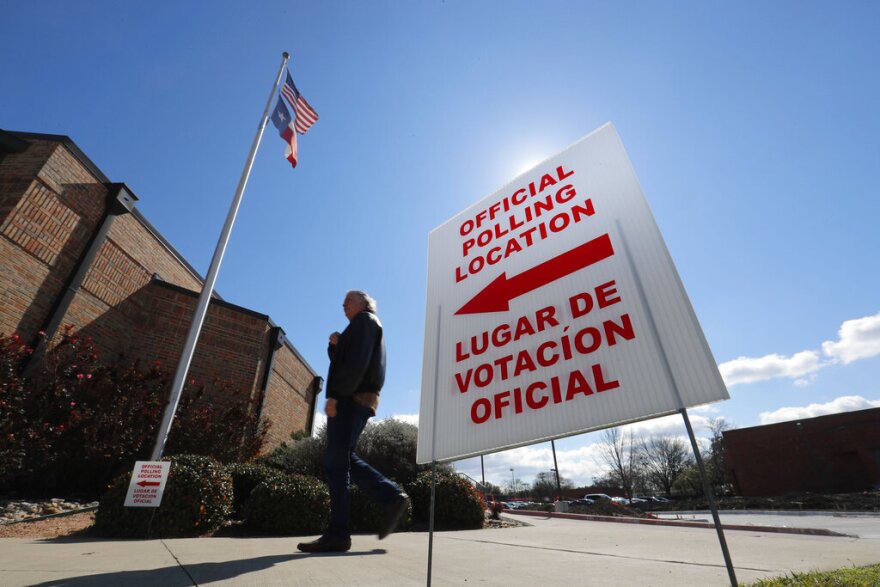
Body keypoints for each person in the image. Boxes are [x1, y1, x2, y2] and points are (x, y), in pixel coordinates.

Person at [297, 290, 410, 553]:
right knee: (342, 458)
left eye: (348, 300)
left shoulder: (364, 322)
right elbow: (347, 362)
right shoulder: (362, 327)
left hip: (352, 398)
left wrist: (336, 395)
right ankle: (392, 498)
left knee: (336, 464)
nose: (343, 304)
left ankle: (338, 533)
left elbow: (355, 365)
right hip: (358, 396)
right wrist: (335, 347)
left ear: (363, 303)